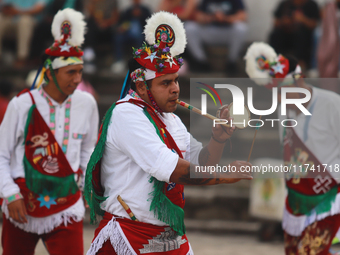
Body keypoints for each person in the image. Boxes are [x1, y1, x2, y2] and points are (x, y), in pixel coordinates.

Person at [85, 11, 252, 255]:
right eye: (165, 83)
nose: (175, 89)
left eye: (176, 81)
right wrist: (227, 174)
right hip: (129, 234)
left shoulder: (171, 119)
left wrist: (217, 139)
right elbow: (177, 171)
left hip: (169, 235)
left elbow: (201, 162)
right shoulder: (126, 115)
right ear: (141, 86)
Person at [0, 8, 99, 255]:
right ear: (50, 73)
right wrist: (10, 195)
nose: (78, 80)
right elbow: (1, 154)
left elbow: (88, 149)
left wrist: (89, 184)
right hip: (22, 202)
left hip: (67, 203)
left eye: (80, 72)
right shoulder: (21, 105)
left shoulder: (87, 103)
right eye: (70, 72)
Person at [245, 42, 340, 255]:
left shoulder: (333, 105)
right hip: (296, 196)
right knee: (293, 252)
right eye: (276, 94)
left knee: (309, 252)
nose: (280, 99)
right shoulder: (282, 108)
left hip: (328, 196)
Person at [184, 0, 248, 74]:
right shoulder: (206, 1)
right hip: (210, 31)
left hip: (228, 32)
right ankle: (201, 62)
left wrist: (225, 18)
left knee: (241, 28)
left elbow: (243, 17)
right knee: (189, 27)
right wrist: (210, 18)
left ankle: (232, 62)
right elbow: (198, 16)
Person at [269, 0, 320, 71]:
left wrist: (302, 19)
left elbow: (314, 25)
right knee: (275, 34)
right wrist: (284, 21)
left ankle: (301, 63)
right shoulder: (285, 4)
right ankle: (275, 60)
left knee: (301, 35)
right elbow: (275, 23)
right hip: (286, 33)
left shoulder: (311, 5)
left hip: (303, 35)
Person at [0, 0, 48, 68]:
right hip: (11, 18)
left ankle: (22, 58)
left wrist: (18, 11)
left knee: (24, 21)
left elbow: (39, 9)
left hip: (31, 19)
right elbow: (4, 5)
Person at [110, 0, 151, 74]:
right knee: (118, 38)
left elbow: (149, 23)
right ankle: (119, 61)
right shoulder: (128, 11)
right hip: (128, 34)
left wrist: (140, 15)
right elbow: (122, 22)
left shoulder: (145, 10)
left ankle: (140, 62)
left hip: (141, 34)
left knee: (140, 38)